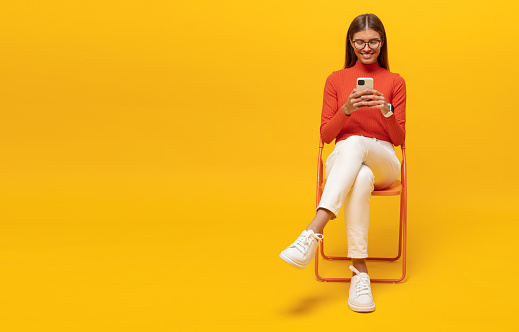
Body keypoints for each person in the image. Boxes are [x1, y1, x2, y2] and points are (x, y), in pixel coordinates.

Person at [279, 13, 406, 313]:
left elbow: (399, 139)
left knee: (358, 143)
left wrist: (386, 110)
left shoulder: (395, 81)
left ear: (382, 42)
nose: (367, 47)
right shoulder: (335, 80)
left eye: (373, 41)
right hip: (347, 160)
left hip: (384, 158)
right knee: (359, 174)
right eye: (360, 41)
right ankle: (360, 273)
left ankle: (313, 231)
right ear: (350, 43)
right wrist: (346, 110)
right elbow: (326, 134)